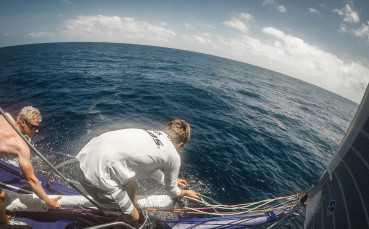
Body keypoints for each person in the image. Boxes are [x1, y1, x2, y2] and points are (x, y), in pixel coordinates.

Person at [77, 119, 200, 228]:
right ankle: (122, 218)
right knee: (133, 219)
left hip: (84, 160)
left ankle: (123, 211)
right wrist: (184, 192)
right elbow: (172, 191)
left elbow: (149, 165)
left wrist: (168, 180)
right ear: (181, 144)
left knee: (132, 185)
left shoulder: (149, 134)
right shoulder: (173, 155)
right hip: (96, 177)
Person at [0, 106, 61, 224]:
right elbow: (31, 180)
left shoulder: (5, 116)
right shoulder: (22, 146)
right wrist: (47, 201)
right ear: (22, 122)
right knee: (1, 196)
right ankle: (4, 223)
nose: (36, 130)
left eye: (38, 127)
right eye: (33, 127)